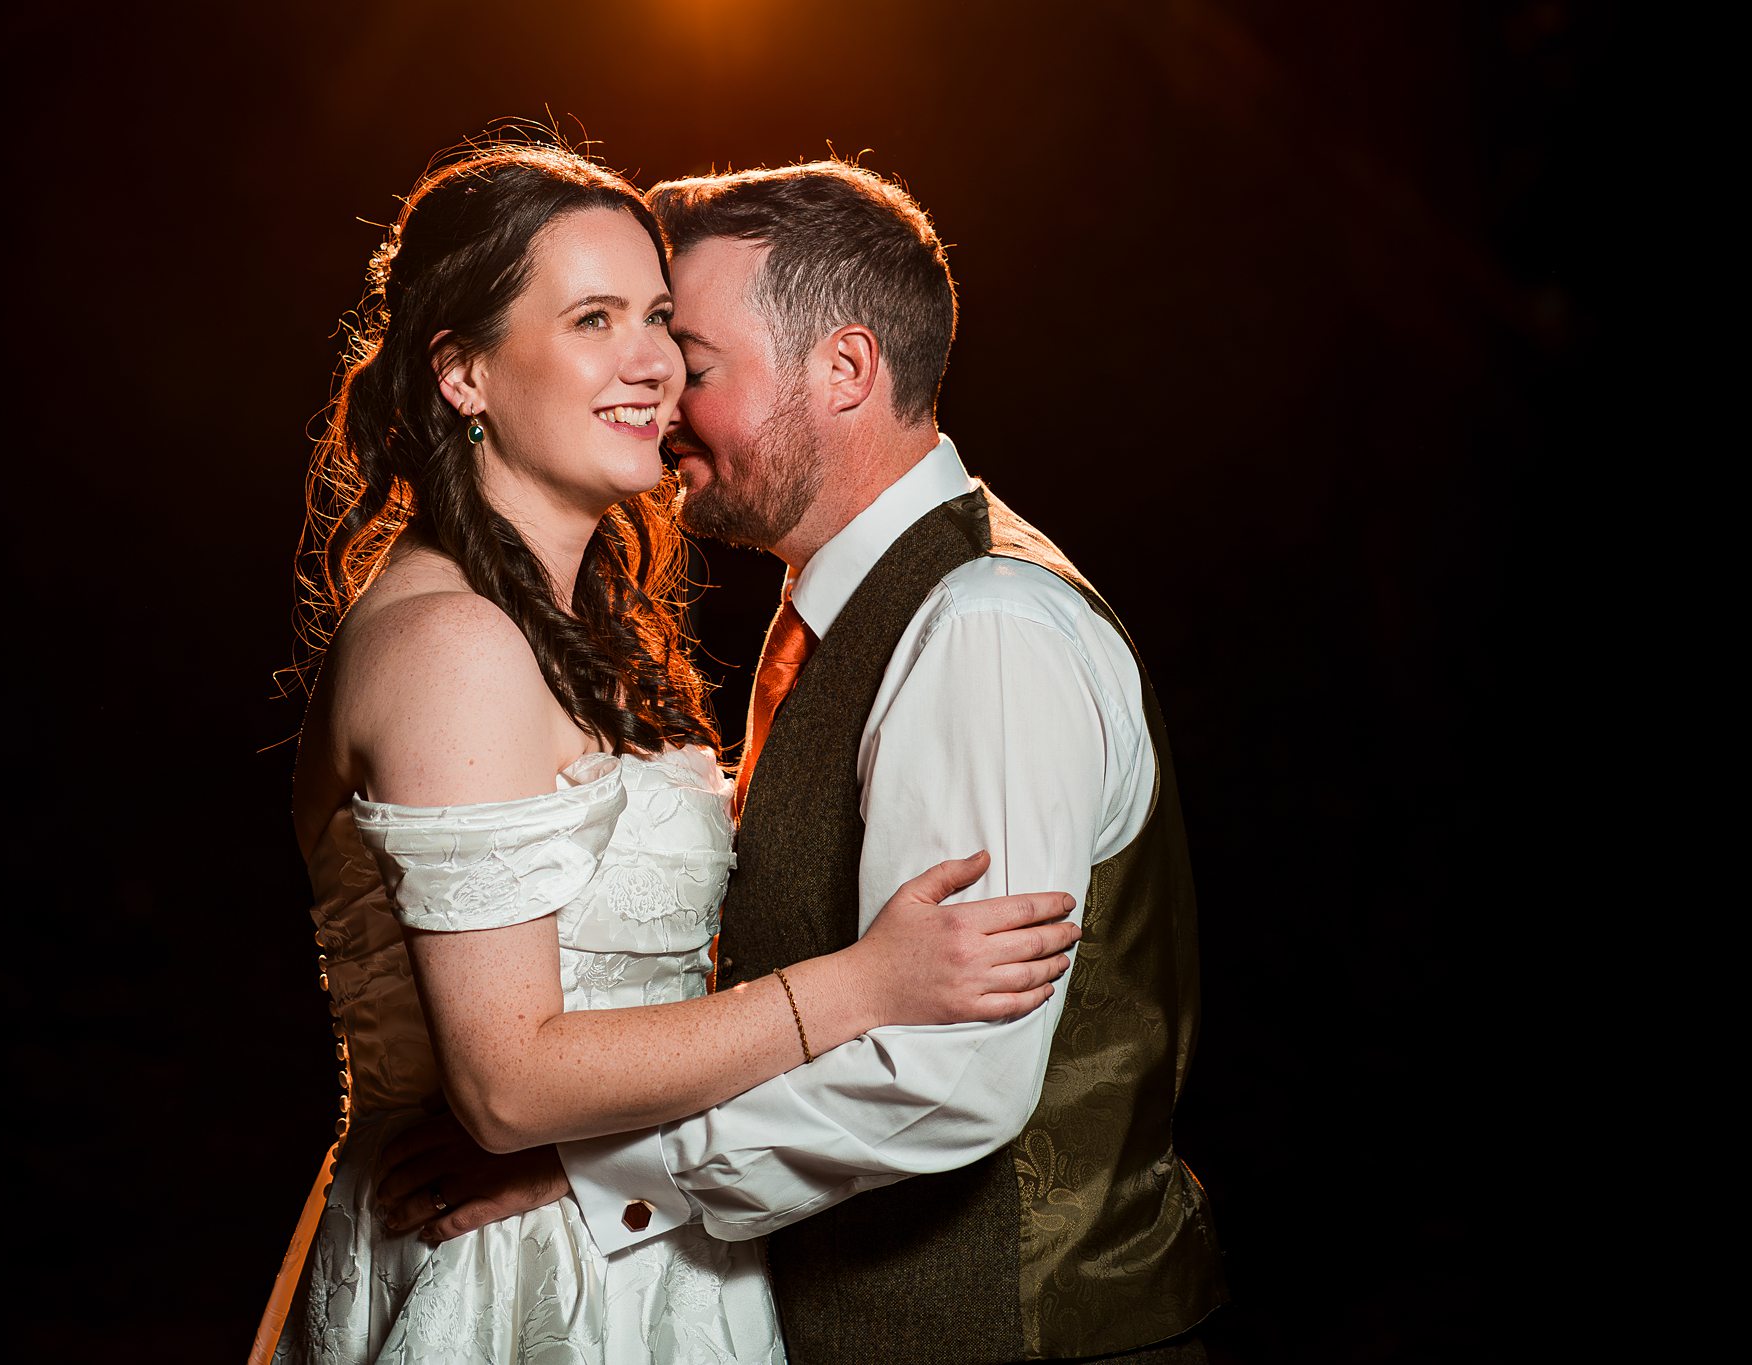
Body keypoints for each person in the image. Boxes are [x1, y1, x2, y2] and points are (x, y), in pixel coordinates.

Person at [379, 162, 1230, 1364]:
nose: (663, 395)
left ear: (843, 370)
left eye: (696, 360)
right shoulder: (849, 613)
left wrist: (610, 1179)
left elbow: (951, 1075)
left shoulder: (980, 626)